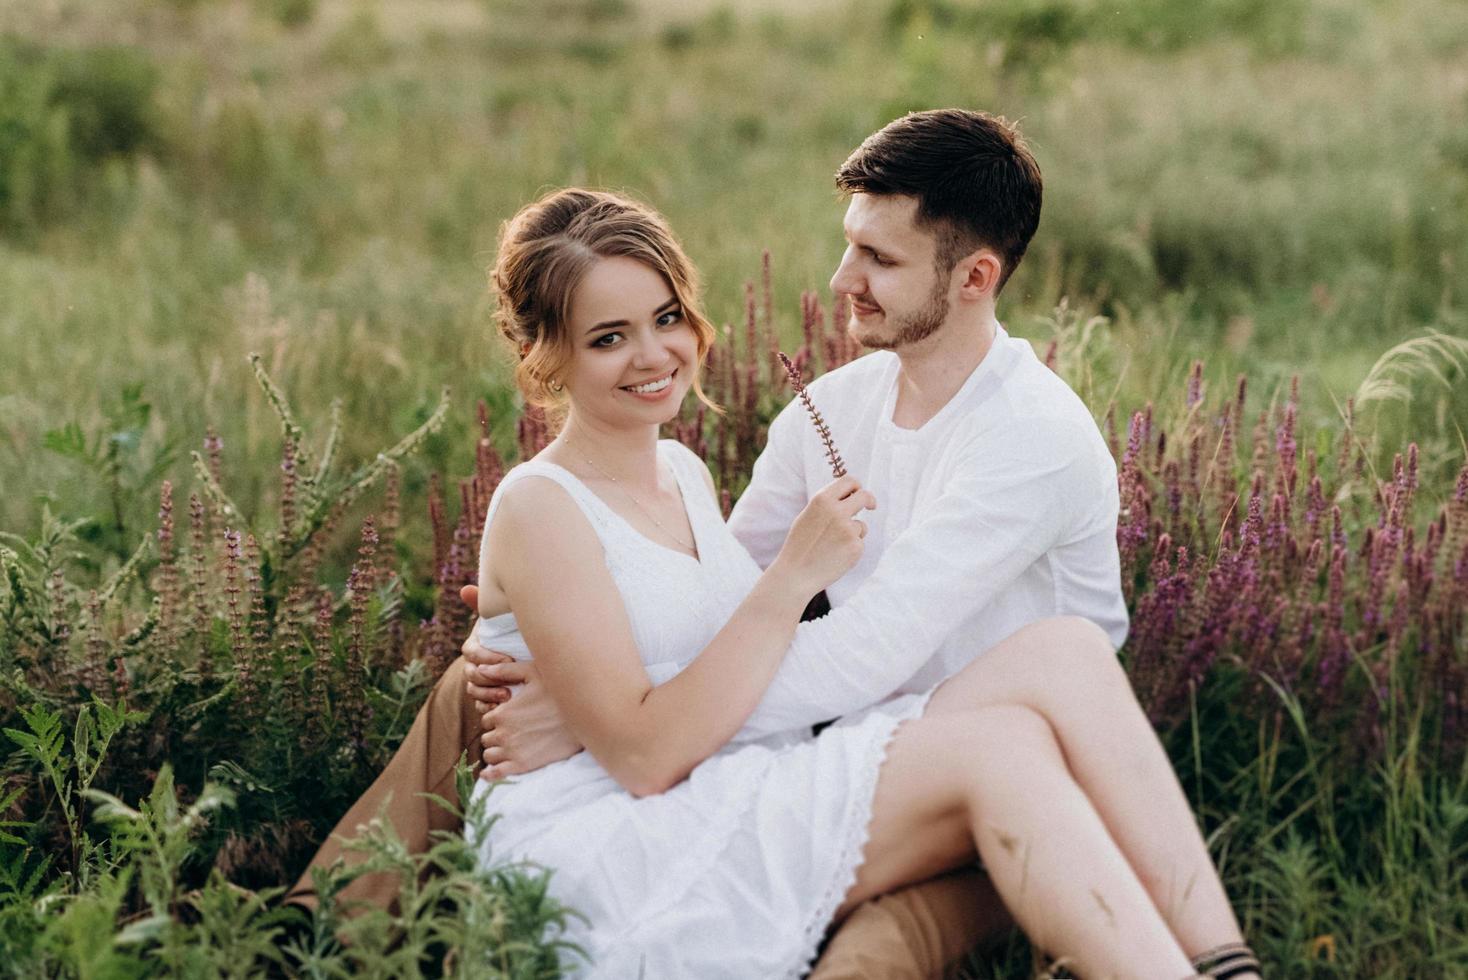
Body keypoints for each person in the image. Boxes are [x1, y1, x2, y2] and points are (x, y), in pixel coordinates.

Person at [295, 111, 1262, 980]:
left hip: (918, 746)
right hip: (825, 763)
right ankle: (318, 930)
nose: (842, 280)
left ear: (974, 278)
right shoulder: (823, 413)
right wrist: (589, 687)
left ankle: (1221, 964)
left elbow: (845, 646)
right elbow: (737, 599)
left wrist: (624, 720)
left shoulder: (1027, 439)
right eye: (608, 337)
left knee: (1054, 672)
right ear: (547, 357)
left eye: (878, 259)